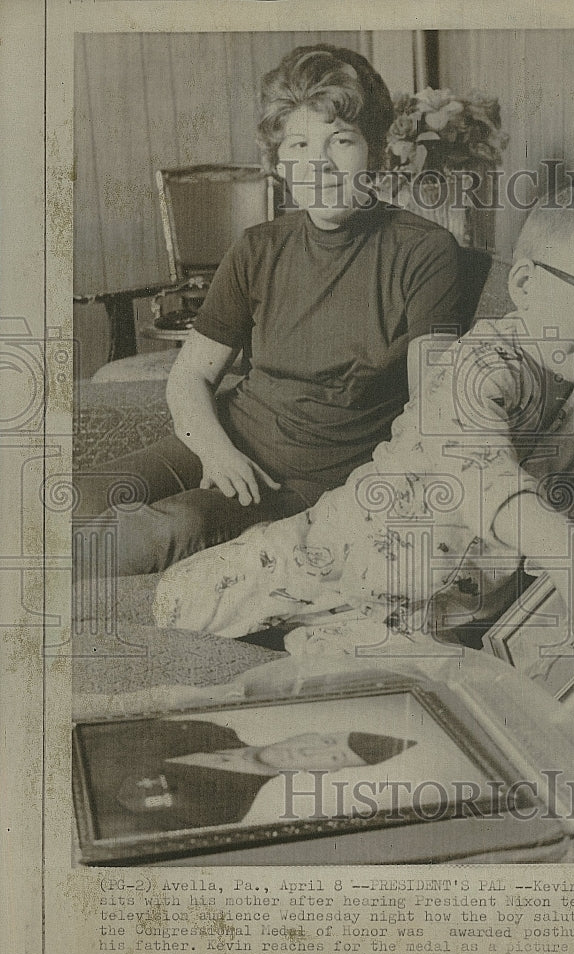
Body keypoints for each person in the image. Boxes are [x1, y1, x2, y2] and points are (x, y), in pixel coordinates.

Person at [153, 175, 574, 650]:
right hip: (341, 551)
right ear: (523, 285)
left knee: (420, 677)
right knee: (185, 601)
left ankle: (317, 644)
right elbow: (478, 470)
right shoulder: (479, 364)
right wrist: (562, 546)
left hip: (435, 609)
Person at [74, 44, 460, 576]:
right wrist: (216, 452)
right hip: (226, 439)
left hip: (305, 483)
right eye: (300, 144)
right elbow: (190, 376)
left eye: (341, 140)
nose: (320, 164)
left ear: (375, 150)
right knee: (74, 498)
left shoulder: (426, 253)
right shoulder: (258, 247)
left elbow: (433, 416)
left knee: (173, 526)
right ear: (279, 165)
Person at [89, 720, 416, 834]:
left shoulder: (226, 810)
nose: (308, 752)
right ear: (308, 733)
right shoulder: (211, 731)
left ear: (324, 771)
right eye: (326, 741)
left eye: (332, 757)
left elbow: (109, 832)